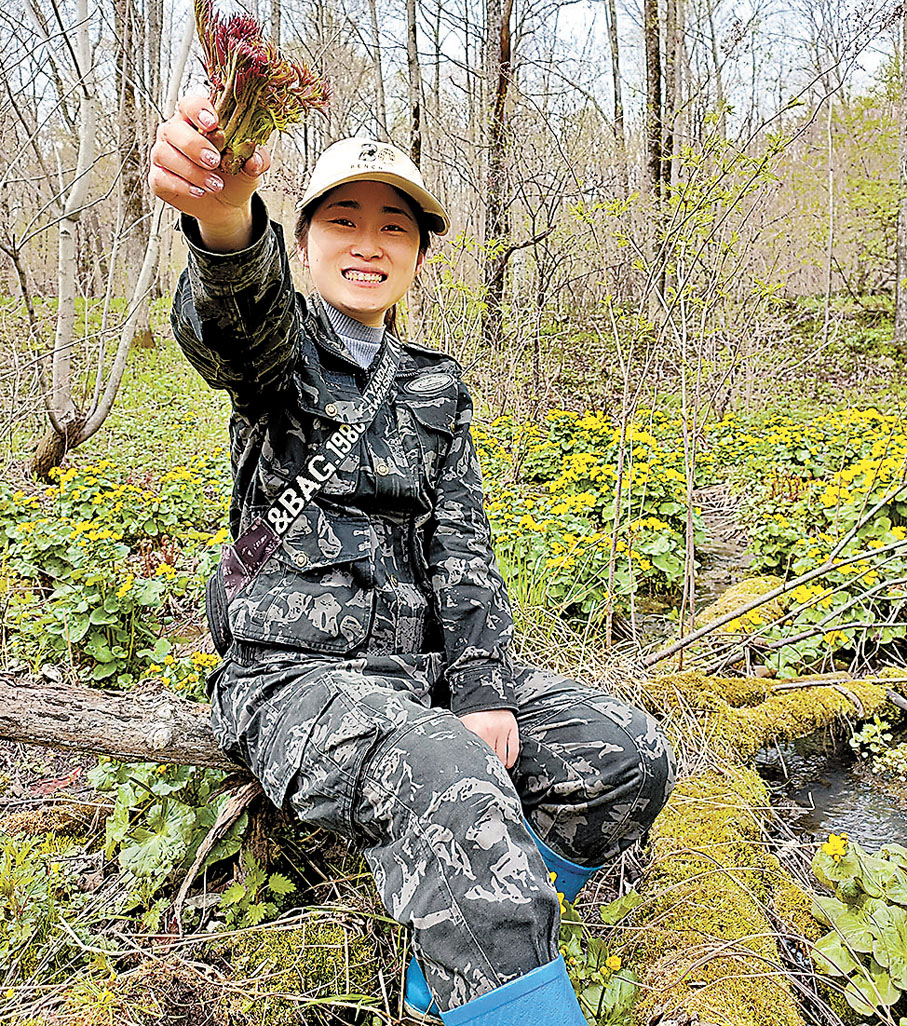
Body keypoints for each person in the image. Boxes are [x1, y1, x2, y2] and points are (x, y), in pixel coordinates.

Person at [148, 95, 675, 1026]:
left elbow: (462, 547)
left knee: (625, 754)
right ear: (305, 242)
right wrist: (224, 222)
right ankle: (508, 989)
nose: (368, 242)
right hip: (294, 679)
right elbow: (233, 318)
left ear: (420, 255)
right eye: (343, 220)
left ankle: (460, 965)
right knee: (451, 779)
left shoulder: (434, 382)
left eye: (395, 226)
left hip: (419, 675)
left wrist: (483, 689)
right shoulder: (281, 354)